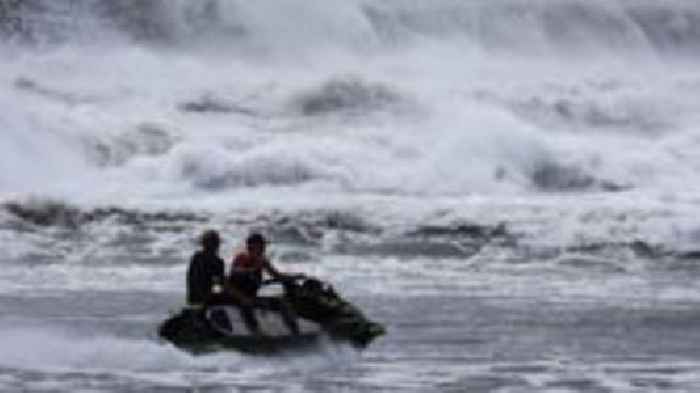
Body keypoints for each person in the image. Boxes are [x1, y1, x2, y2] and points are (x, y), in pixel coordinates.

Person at [230, 233, 303, 335]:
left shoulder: (262, 260)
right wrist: (249, 271)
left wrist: (294, 277)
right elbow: (235, 271)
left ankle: (295, 332)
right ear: (251, 245)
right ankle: (256, 334)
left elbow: (277, 276)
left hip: (252, 297)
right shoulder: (242, 257)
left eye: (264, 245)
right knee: (247, 304)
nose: (264, 247)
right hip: (237, 296)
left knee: (280, 302)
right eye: (261, 244)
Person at [186, 229, 225, 306]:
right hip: (200, 298)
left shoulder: (218, 261)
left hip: (204, 297)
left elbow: (218, 283)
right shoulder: (198, 258)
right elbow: (195, 281)